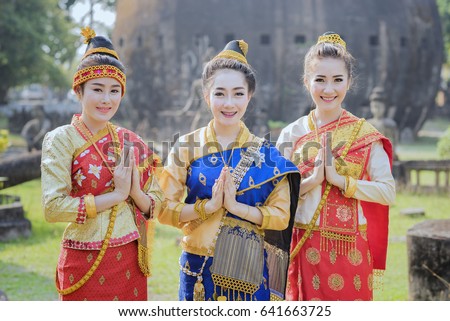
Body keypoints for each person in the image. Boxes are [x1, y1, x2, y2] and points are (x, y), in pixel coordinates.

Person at [158, 40, 300, 301]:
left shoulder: (267, 154)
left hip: (248, 270)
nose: (229, 103)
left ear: (249, 96)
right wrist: (208, 207)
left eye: (238, 93)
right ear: (206, 96)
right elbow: (163, 208)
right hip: (197, 271)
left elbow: (280, 216)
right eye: (220, 93)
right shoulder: (186, 146)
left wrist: (236, 208)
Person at [41, 27, 164, 301]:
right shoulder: (61, 140)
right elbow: (53, 208)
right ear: (79, 90)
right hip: (82, 258)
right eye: (97, 89)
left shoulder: (130, 140)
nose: (106, 99)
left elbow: (156, 201)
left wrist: (135, 194)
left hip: (130, 261)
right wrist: (117, 196)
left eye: (114, 90)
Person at [276, 32, 395, 301]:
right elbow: (276, 196)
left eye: (337, 80)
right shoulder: (291, 135)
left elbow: (388, 192)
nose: (328, 90)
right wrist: (312, 181)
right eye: (320, 80)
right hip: (301, 245)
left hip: (351, 252)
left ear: (349, 82)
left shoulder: (365, 135)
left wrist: (342, 181)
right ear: (307, 82)